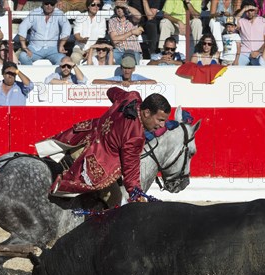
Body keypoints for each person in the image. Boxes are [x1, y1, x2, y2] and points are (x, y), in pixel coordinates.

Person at [36, 87, 171, 202]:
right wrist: (137, 194)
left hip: (80, 139)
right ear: (146, 112)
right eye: (160, 120)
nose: (161, 125)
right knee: (116, 200)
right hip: (95, 160)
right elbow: (130, 172)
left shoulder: (131, 97)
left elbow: (111, 91)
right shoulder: (135, 137)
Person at [17, 0, 72, 65]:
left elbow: (67, 27)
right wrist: (24, 47)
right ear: (42, 3)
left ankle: (55, 75)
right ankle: (31, 74)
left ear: (55, 4)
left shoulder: (59, 13)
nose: (49, 6)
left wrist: (61, 45)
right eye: (46, 3)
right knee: (23, 56)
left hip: (53, 50)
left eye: (52, 4)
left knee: (63, 60)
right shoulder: (35, 12)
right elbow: (23, 26)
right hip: (35, 49)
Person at [70, 0, 107, 65]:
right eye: (93, 4)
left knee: (94, 61)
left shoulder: (102, 19)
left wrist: (90, 51)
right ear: (88, 6)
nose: (96, 7)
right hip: (79, 49)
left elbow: (100, 38)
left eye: (98, 5)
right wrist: (82, 40)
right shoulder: (80, 17)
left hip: (95, 50)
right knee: (74, 58)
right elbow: (76, 34)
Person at [236, 0, 265, 65]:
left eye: (251, 10)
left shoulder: (264, 21)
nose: (249, 13)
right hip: (244, 53)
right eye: (247, 11)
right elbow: (233, 22)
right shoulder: (241, 21)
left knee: (262, 65)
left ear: (256, 9)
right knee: (236, 67)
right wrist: (243, 9)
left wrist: (258, 51)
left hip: (259, 52)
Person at [92, 54, 157, 86]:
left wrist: (132, 83)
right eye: (125, 68)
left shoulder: (136, 77)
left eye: (129, 68)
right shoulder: (118, 78)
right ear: (121, 68)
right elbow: (95, 81)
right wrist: (119, 83)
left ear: (133, 69)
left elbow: (153, 82)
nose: (127, 71)